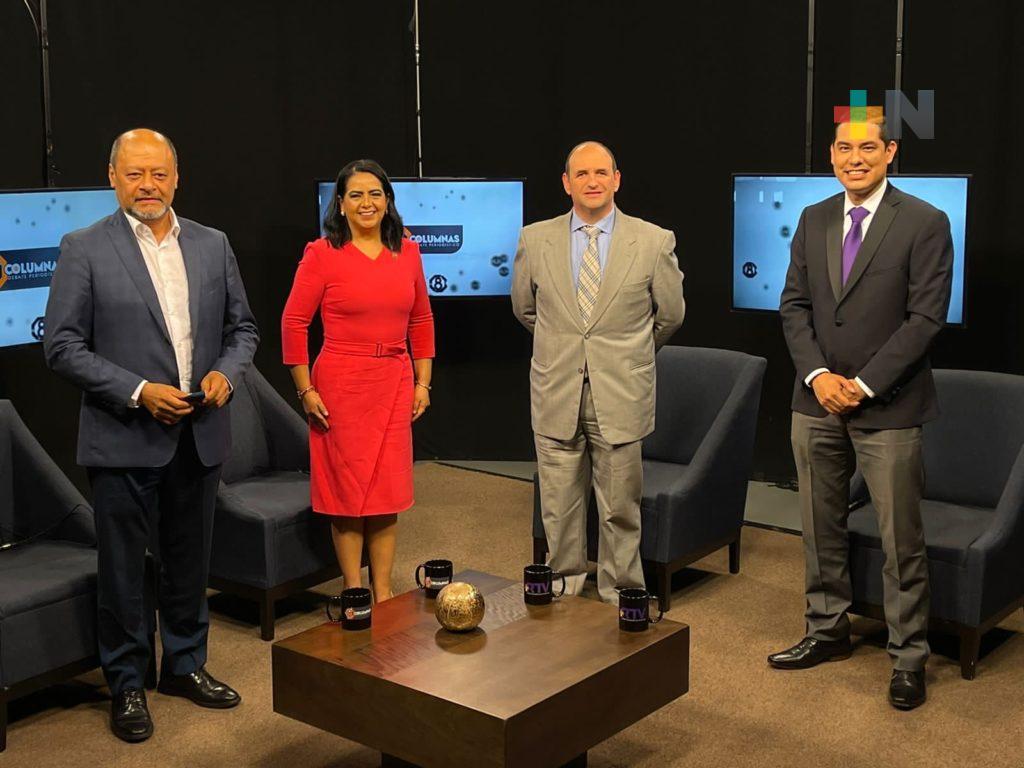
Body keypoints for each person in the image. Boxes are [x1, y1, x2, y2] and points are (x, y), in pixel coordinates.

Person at [44, 128, 259, 742]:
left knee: (189, 562)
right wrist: (139, 391)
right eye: (135, 174)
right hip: (123, 436)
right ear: (112, 177)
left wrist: (226, 373)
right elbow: (61, 346)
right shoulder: (83, 247)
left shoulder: (213, 244)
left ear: (176, 177)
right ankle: (128, 682)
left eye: (158, 173)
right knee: (123, 570)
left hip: (200, 434)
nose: (148, 185)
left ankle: (185, 665)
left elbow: (243, 330)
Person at [773, 118, 953, 711]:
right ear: (831, 155)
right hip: (815, 401)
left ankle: (908, 657)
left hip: (890, 405)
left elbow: (924, 319)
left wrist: (865, 384)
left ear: (890, 152)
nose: (855, 158)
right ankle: (827, 630)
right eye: (845, 148)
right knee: (818, 525)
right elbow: (794, 306)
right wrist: (819, 376)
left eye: (868, 147)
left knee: (901, 539)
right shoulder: (813, 218)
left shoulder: (925, 221)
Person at [511, 141, 685, 603]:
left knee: (620, 508)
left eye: (601, 173)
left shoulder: (654, 241)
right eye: (582, 174)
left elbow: (670, 316)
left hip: (621, 393)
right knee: (558, 506)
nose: (592, 182)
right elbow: (526, 310)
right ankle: (563, 588)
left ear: (617, 180)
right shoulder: (535, 239)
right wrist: (567, 348)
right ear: (566, 183)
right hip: (556, 390)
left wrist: (626, 354)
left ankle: (620, 591)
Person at [281, 159, 434, 603]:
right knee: (348, 494)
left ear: (387, 201)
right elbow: (293, 323)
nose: (367, 203)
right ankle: (353, 592)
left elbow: (421, 320)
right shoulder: (321, 254)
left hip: (394, 381)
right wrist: (305, 389)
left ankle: (382, 593)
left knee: (387, 493)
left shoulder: (408, 252)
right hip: (340, 385)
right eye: (356, 195)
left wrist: (423, 383)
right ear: (342, 204)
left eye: (375, 194)